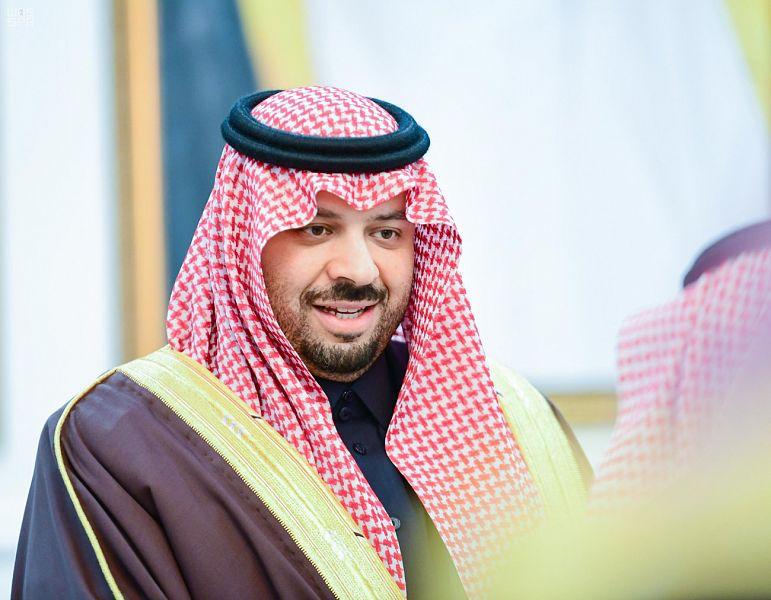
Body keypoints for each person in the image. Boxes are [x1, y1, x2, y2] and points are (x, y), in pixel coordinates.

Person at [12, 86, 588, 599]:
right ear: (244, 239)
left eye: (387, 231)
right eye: (318, 229)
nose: (359, 270)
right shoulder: (117, 445)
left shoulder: (517, 421)